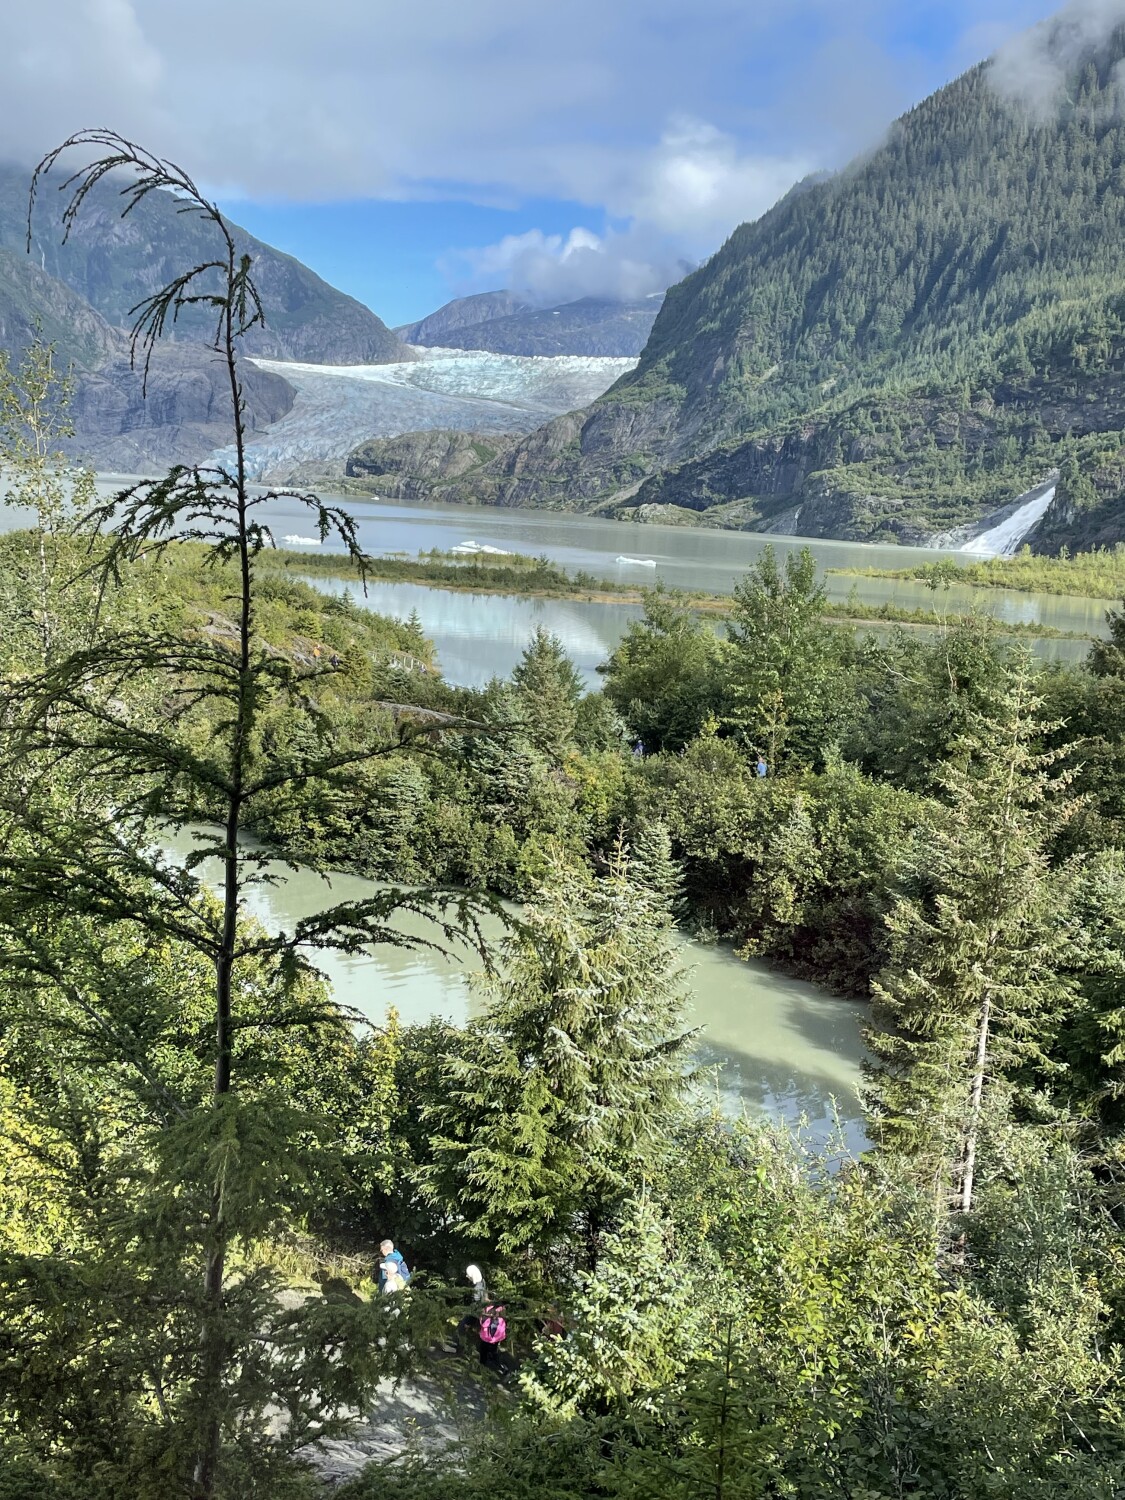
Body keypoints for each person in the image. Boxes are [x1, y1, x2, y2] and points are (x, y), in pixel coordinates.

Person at [478, 1301, 506, 1370]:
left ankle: (482, 1364)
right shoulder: (501, 1308)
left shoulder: (485, 1308)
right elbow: (504, 1318)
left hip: (485, 1336)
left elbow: (481, 1321)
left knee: (483, 1351)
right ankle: (498, 1367)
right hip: (495, 1337)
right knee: (494, 1351)